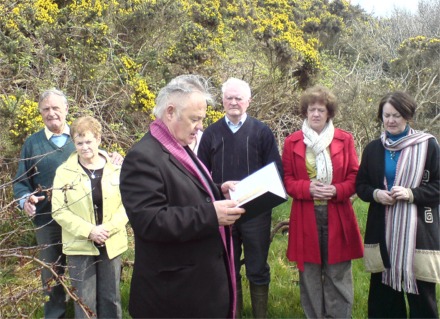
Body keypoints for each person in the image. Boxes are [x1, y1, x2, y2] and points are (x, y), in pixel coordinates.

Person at [119, 74, 245, 319]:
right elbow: (150, 220)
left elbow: (183, 191)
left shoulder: (177, 147)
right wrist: (211, 214)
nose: (200, 127)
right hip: (173, 297)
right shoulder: (143, 157)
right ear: (170, 112)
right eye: (194, 119)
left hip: (196, 289)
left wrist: (218, 189)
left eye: (202, 119)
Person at [13, 88, 123, 318]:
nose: (51, 113)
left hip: (86, 223)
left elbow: (99, 162)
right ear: (40, 112)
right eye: (46, 109)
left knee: (86, 279)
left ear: (66, 110)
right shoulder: (32, 144)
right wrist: (25, 200)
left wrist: (115, 158)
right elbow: (21, 183)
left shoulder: (80, 136)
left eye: (56, 108)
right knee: (53, 278)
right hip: (49, 222)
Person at [198, 77, 283, 318]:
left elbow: (276, 171)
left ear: (249, 101)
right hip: (224, 212)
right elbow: (200, 177)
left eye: (239, 98)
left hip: (256, 212)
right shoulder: (211, 134)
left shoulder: (262, 132)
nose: (234, 102)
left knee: (257, 269)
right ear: (222, 100)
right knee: (229, 270)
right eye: (229, 98)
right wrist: (218, 188)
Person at [281, 85, 363, 318]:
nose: (316, 114)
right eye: (311, 109)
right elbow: (287, 180)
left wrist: (336, 190)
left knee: (338, 272)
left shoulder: (344, 139)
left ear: (329, 113)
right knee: (309, 273)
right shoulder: (292, 142)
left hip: (338, 214)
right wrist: (307, 188)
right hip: (305, 215)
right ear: (305, 112)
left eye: (321, 110)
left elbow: (354, 177)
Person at [356, 91, 439, 318]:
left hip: (418, 234)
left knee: (422, 298)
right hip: (383, 232)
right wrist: (375, 194)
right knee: (384, 299)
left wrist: (411, 193)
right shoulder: (373, 149)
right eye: (386, 115)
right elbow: (360, 185)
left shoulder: (428, 145)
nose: (391, 120)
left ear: (408, 116)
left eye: (397, 115)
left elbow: (438, 187)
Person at [51, 116, 128, 318]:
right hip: (79, 245)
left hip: (111, 242)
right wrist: (90, 231)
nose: (84, 147)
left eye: (89, 142)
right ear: (73, 143)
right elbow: (59, 210)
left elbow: (127, 205)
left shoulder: (116, 169)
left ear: (98, 139)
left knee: (111, 298)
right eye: (79, 142)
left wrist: (107, 229)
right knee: (84, 301)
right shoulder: (64, 172)